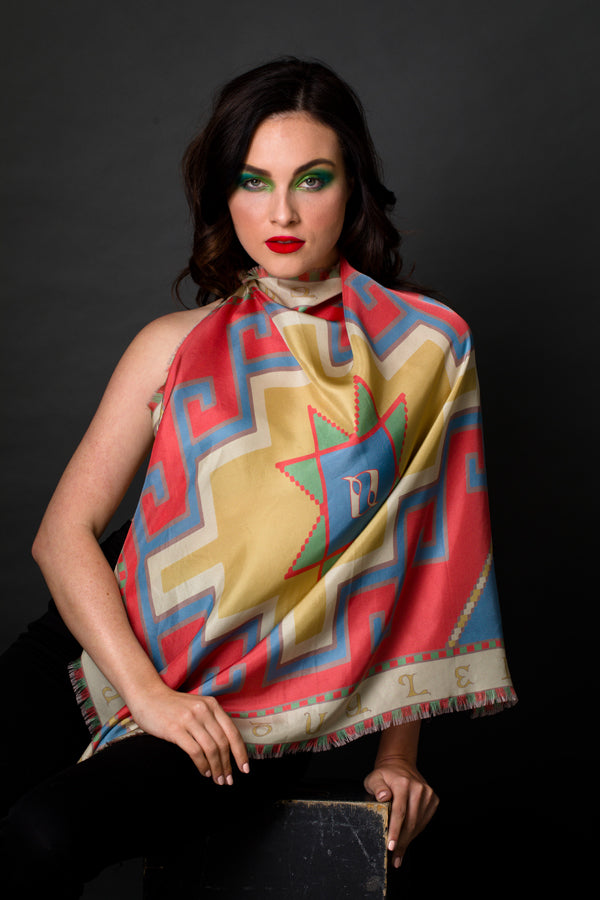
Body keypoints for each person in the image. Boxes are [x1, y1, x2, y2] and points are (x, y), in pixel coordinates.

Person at [0, 57, 516, 897]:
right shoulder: (172, 344)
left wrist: (397, 757)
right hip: (97, 646)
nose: (281, 212)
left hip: (268, 699)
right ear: (224, 194)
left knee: (45, 835)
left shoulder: (427, 350)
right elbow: (62, 536)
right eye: (254, 181)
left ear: (353, 188)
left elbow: (424, 561)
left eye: (312, 179)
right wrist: (148, 695)